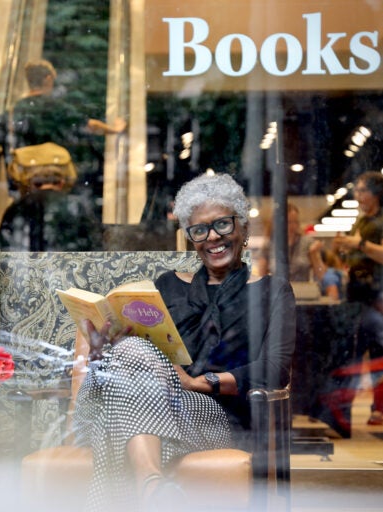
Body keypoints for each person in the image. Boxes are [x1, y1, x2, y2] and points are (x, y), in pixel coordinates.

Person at [71, 173, 296, 511]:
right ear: (190, 238)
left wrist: (200, 382)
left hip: (215, 415)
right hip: (155, 400)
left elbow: (274, 368)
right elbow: (138, 362)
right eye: (199, 230)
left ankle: (148, 488)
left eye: (222, 224)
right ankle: (152, 488)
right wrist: (103, 351)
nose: (212, 238)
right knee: (130, 349)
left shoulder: (272, 290)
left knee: (112, 417)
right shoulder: (167, 285)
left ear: (243, 229)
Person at [0, 59, 126, 199]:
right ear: (48, 79)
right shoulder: (56, 107)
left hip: (25, 180)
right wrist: (115, 129)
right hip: (53, 179)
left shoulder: (13, 111)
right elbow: (89, 125)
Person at [332, 171, 383, 333]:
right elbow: (353, 256)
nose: (357, 196)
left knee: (380, 344)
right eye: (356, 191)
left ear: (377, 193)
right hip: (359, 291)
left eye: (362, 191)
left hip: (382, 291)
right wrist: (342, 248)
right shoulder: (361, 221)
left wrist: (359, 244)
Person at [0, 164, 104, 251]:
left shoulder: (16, 208)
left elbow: (5, 249)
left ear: (29, 183)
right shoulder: (76, 206)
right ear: (62, 182)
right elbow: (93, 246)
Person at [353, 287, 383, 426]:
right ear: (378, 303)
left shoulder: (371, 316)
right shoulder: (376, 320)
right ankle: (380, 413)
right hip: (380, 361)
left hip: (371, 360)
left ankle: (378, 412)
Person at [257, 203, 314, 281]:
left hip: (302, 290)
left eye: (295, 222)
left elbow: (320, 273)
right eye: (288, 222)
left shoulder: (307, 243)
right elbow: (262, 275)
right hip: (279, 290)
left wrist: (315, 253)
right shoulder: (269, 245)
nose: (292, 226)